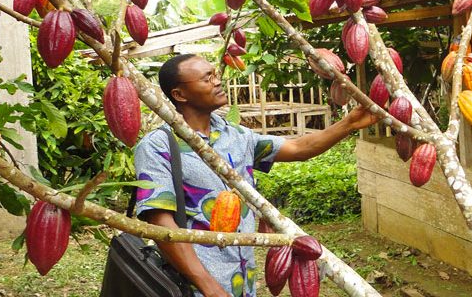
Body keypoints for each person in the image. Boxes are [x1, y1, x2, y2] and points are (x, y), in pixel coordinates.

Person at [133, 54, 379, 297]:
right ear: (180, 94)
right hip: (192, 285)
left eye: (215, 74)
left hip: (243, 278)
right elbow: (160, 223)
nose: (217, 81)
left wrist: (349, 123)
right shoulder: (157, 146)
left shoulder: (235, 135)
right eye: (207, 78)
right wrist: (209, 287)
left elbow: (299, 148)